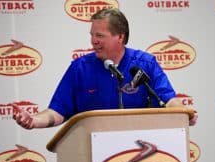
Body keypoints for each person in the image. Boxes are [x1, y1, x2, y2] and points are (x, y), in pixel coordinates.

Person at [12, 8, 197, 130]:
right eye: (92, 35)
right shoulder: (80, 69)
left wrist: (184, 113)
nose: (93, 41)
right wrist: (34, 121)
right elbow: (57, 111)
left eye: (100, 35)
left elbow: (169, 101)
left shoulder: (145, 64)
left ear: (120, 37)